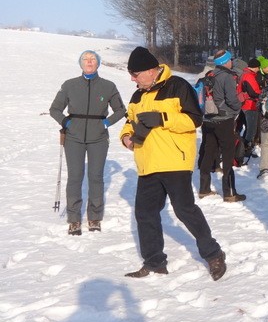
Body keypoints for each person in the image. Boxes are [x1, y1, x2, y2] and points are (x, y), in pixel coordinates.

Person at [120, 46, 226, 280]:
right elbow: (129, 122)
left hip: (174, 161)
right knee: (145, 214)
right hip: (147, 163)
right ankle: (154, 262)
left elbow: (194, 119)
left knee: (184, 210)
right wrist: (126, 137)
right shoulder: (138, 95)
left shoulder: (177, 86)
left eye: (135, 74)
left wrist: (163, 118)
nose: (132, 79)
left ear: (150, 71)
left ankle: (214, 254)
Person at [50, 50, 127, 235]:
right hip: (74, 138)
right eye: (85, 59)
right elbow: (55, 109)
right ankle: (74, 219)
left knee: (96, 177)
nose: (89, 61)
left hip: (99, 138)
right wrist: (66, 122)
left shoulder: (108, 86)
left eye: (93, 59)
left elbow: (120, 110)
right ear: (81, 63)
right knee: (75, 177)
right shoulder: (69, 85)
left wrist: (106, 123)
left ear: (98, 63)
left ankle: (94, 217)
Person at [198, 50, 245, 202]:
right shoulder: (227, 77)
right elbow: (232, 99)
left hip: (208, 120)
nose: (232, 61)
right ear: (225, 62)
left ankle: (204, 188)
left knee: (208, 151)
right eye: (230, 59)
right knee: (228, 154)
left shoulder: (209, 76)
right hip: (224, 120)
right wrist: (238, 107)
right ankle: (229, 192)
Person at [239, 58, 262, 156]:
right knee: (251, 130)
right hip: (250, 105)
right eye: (258, 67)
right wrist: (262, 94)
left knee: (248, 129)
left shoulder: (245, 74)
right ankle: (245, 150)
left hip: (245, 105)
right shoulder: (249, 76)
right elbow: (253, 92)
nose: (258, 69)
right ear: (255, 67)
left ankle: (244, 149)